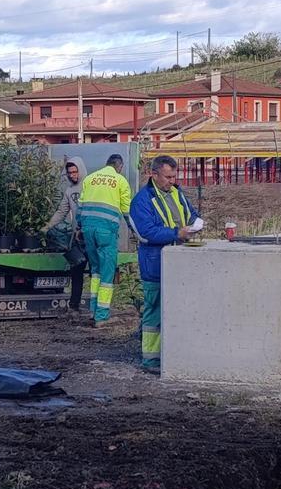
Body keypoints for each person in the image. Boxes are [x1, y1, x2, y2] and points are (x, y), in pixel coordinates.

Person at [128, 156, 200, 373]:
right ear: (155, 174)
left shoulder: (176, 193)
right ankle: (151, 358)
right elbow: (146, 232)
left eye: (174, 176)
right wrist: (176, 233)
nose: (172, 180)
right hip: (155, 262)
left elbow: (191, 214)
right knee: (155, 310)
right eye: (168, 177)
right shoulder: (142, 200)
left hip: (178, 259)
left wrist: (195, 226)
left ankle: (173, 352)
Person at [78, 153, 132, 327]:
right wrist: (136, 232)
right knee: (107, 275)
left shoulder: (90, 178)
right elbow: (127, 211)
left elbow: (80, 205)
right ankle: (102, 316)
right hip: (106, 231)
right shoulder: (120, 181)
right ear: (120, 166)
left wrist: (79, 227)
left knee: (95, 271)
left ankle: (93, 311)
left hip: (87, 229)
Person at [42, 156, 87, 312]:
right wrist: (47, 227)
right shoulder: (69, 190)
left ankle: (96, 309)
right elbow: (62, 211)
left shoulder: (89, 186)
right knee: (76, 269)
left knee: (95, 273)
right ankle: (74, 305)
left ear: (81, 170)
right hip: (77, 237)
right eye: (69, 173)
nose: (72, 175)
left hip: (91, 235)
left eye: (75, 172)